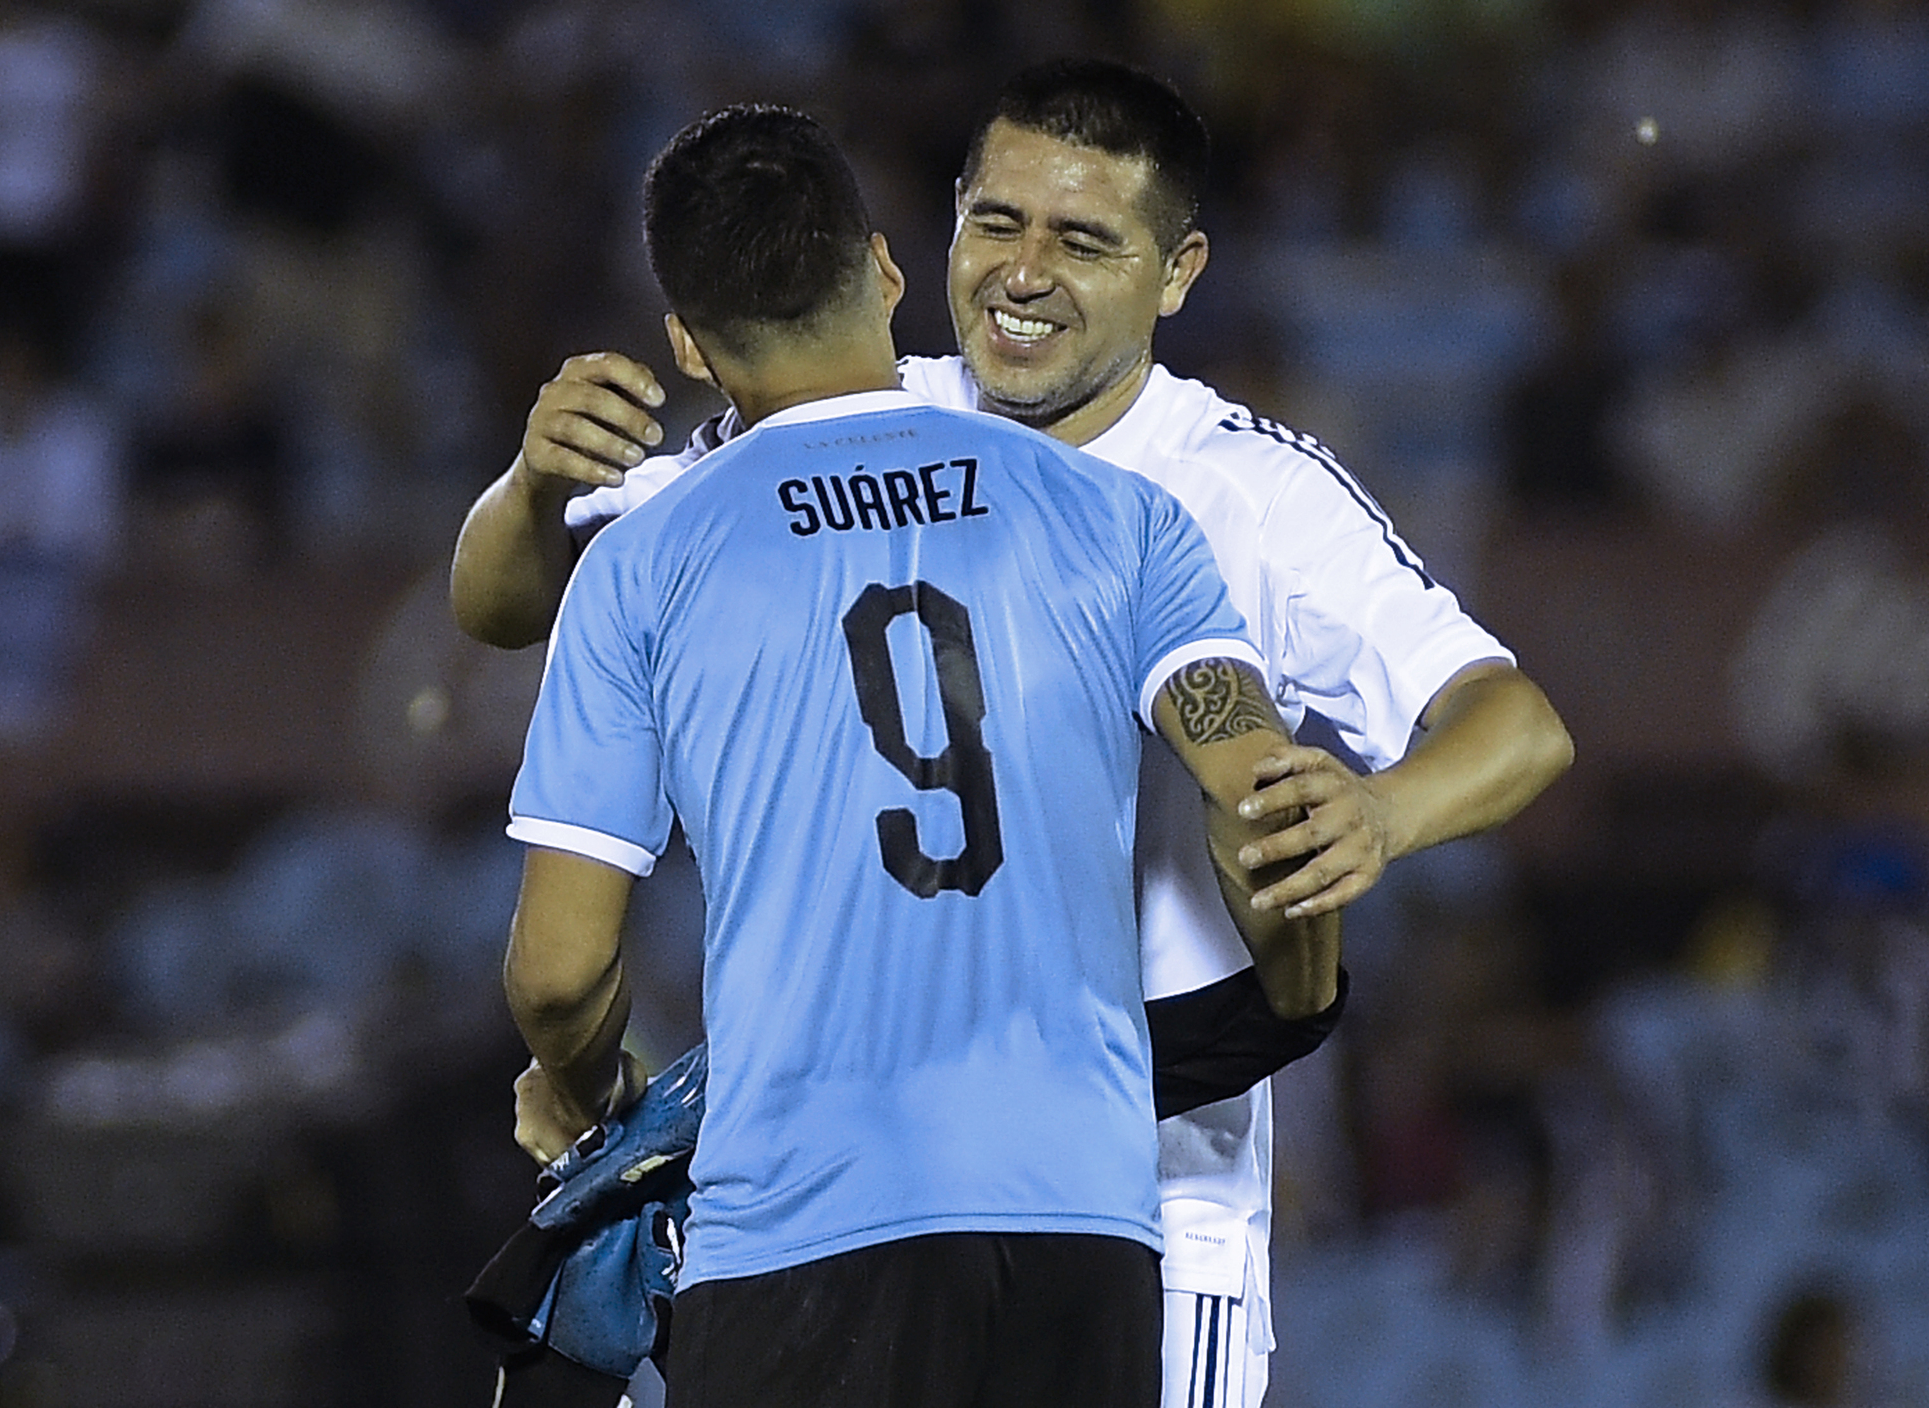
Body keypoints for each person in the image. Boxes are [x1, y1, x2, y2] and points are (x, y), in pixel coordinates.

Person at [458, 61, 1574, 1408]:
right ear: (922, 242)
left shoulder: (1247, 493)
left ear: (1178, 272)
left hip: (1157, 1197)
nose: (1023, 272)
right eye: (997, 223)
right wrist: (531, 489)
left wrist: (1381, 812)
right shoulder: (870, 408)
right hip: (878, 1165)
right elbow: (515, 600)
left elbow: (1516, 725)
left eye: (1083, 239)